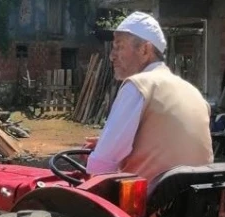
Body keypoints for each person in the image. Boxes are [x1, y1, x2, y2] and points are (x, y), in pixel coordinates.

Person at [86, 11, 213, 183]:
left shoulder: (138, 86)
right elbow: (167, 145)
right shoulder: (194, 93)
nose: (111, 56)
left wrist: (98, 155)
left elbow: (100, 164)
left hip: (150, 203)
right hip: (197, 201)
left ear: (145, 50)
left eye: (119, 46)